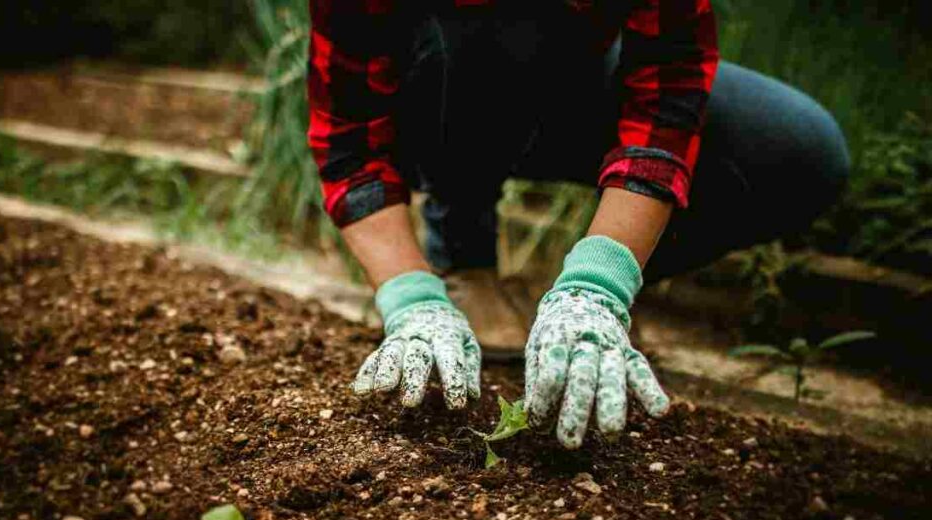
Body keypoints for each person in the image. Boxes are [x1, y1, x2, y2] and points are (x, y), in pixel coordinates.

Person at [306, 1, 850, 449]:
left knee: (801, 150)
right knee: (473, 32)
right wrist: (412, 301)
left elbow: (667, 90)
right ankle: (463, 256)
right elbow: (349, 142)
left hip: (577, 80)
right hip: (432, 92)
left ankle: (583, 283)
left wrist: (597, 284)